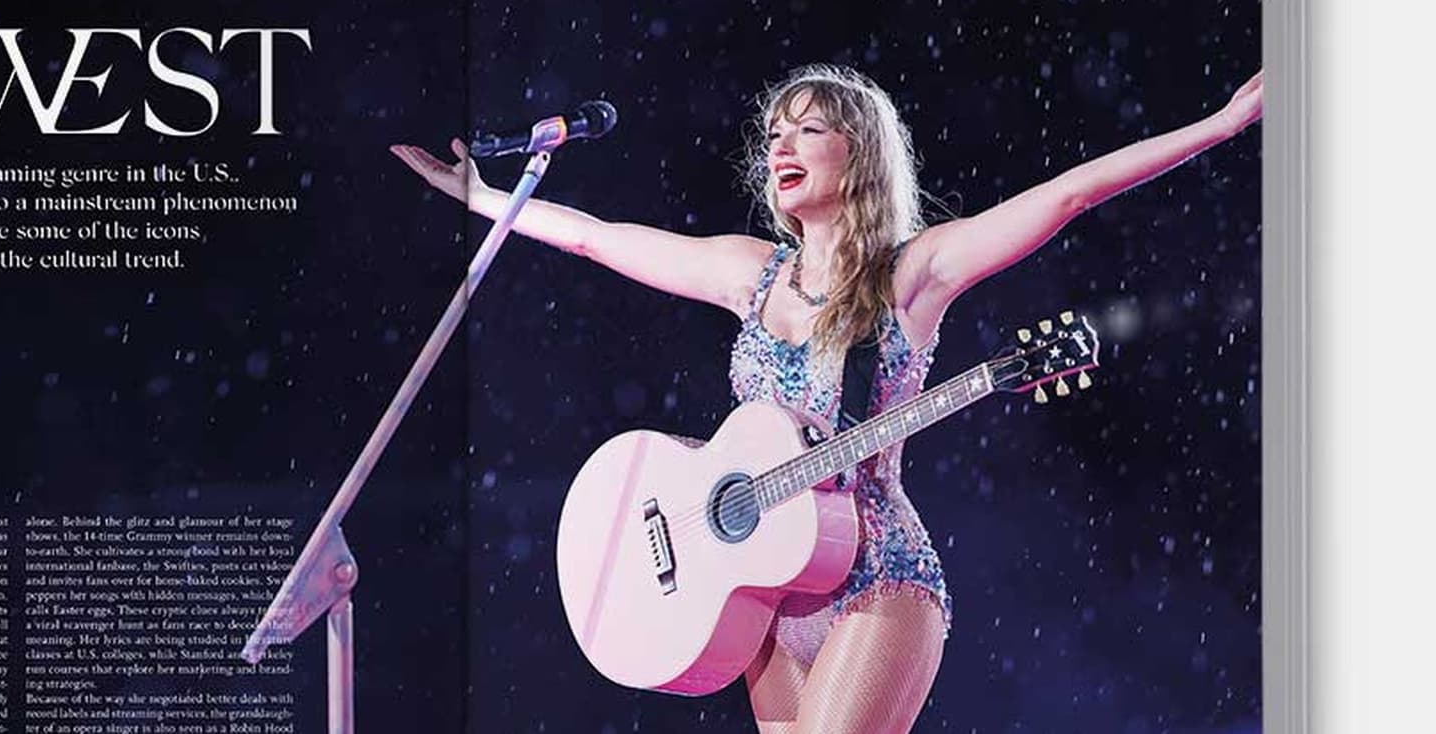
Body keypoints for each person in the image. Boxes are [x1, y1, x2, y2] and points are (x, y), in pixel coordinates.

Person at [390, 63, 1263, 733]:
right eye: (774, 133)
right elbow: (593, 239)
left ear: (861, 154)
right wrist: (484, 198)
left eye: (807, 130)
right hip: (765, 593)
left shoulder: (912, 278)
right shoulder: (749, 272)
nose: (780, 146)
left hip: (877, 577)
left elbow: (1070, 193)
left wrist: (1221, 124)